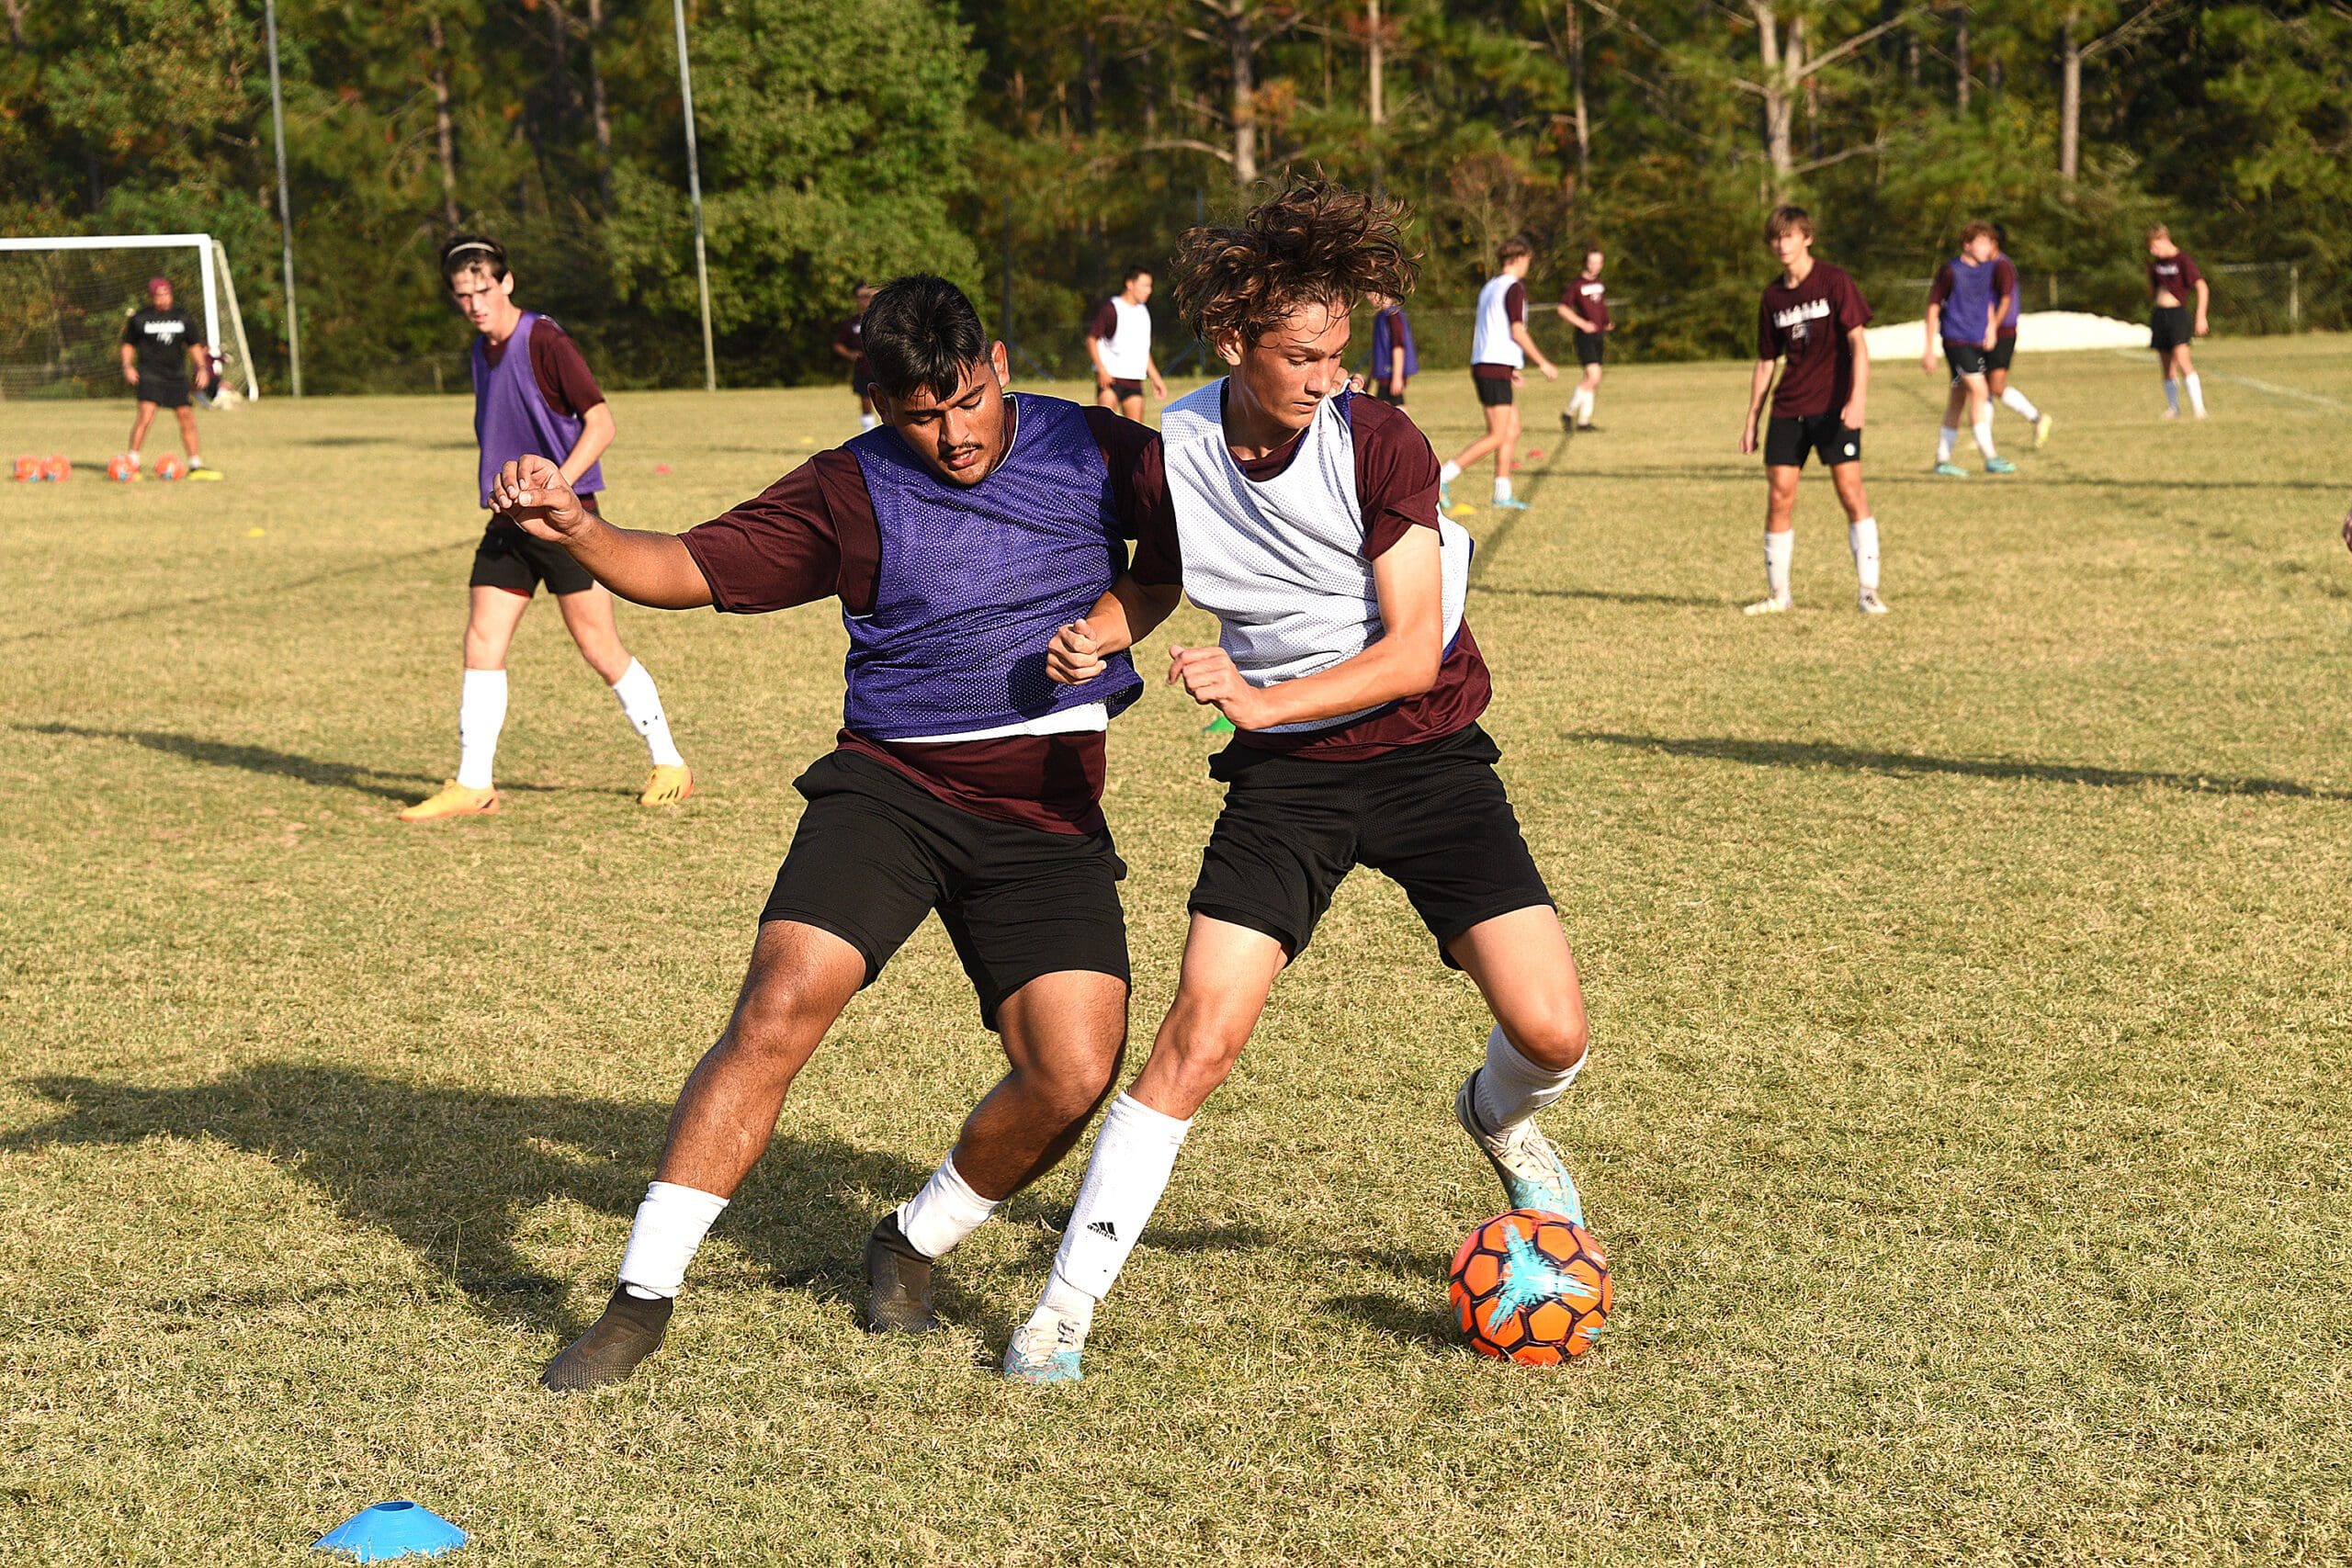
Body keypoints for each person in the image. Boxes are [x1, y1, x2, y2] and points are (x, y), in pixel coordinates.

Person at [1005, 177, 1593, 1384]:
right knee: (1197, 1036)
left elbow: (1412, 650)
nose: (1329, 377)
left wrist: (1259, 697)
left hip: (1427, 753)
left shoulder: (1379, 440)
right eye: (1303, 356)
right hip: (1288, 785)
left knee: (1551, 1029)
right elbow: (1160, 575)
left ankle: (1495, 1115)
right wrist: (1098, 630)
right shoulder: (1175, 451)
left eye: (1340, 353)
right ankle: (1062, 1312)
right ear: (1234, 341)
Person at [530, 274, 1160, 1392]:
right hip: (893, 790)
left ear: (998, 365)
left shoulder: (1099, 451)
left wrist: (1112, 622)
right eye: (919, 416)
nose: (953, 435)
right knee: (780, 1004)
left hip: (1045, 810)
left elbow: (1186, 550)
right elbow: (685, 568)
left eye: (967, 401)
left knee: (1071, 1072)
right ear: (875, 403)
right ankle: (638, 1304)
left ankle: (911, 1241)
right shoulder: (849, 487)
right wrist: (580, 527)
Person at [399, 235, 694, 821]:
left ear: (506, 283)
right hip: (509, 520)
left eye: (483, 290)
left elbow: (602, 423)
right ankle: (475, 783)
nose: (475, 304)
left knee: (599, 647)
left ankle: (670, 763)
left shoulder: (545, 340)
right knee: (481, 640)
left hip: (565, 521)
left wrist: (557, 487)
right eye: (462, 295)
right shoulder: (480, 350)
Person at [1738, 206, 1886, 616]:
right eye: (1775, 238)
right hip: (1789, 406)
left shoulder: (1835, 281)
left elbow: (1859, 344)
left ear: (1807, 238)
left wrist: (1857, 400)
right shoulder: (1773, 297)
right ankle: (1779, 596)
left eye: (1789, 236)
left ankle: (1868, 592)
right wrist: (1752, 418)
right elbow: (1766, 361)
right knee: (1779, 496)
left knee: (1851, 493)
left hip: (1835, 407)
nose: (1782, 244)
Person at [1439, 236, 1557, 513]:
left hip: (1493, 364)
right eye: (1527, 260)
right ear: (1519, 258)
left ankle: (1502, 495)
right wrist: (1542, 362)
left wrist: (1511, 367)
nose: (1528, 266)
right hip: (1492, 365)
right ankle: (1441, 478)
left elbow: (1494, 328)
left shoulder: (1490, 286)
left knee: (1512, 430)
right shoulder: (1514, 287)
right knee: (1497, 434)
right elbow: (1517, 330)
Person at [1922, 222, 2018, 478]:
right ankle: (1990, 457)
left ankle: (1942, 460)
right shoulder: (1951, 271)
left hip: (1976, 341)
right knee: (1980, 390)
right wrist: (1929, 348)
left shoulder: (1988, 269)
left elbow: (1987, 302)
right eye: (1982, 242)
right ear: (1967, 245)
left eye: (1989, 242)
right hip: (1956, 341)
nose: (1988, 248)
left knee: (1958, 398)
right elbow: (1933, 307)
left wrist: (1991, 328)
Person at [119, 277, 215, 479]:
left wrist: (202, 368)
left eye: (167, 294)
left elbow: (194, 344)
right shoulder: (140, 318)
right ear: (151, 297)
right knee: (146, 416)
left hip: (176, 377)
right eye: (159, 295)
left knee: (187, 417)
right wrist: (127, 366)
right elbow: (128, 344)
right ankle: (131, 464)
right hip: (150, 375)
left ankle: (196, 466)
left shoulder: (182, 317)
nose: (164, 299)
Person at [1986, 225, 2052, 448]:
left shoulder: (2002, 265)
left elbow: (2006, 300)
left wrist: (1993, 326)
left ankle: (2037, 418)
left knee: (1996, 385)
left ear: (1994, 242)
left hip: (2002, 332)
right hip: (1991, 331)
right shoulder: (1989, 266)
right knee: (1983, 385)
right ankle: (1983, 436)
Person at [1086, 265, 1168, 420]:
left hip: (1134, 382)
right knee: (1103, 428)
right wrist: (1101, 370)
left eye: (1150, 286)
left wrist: (1156, 378)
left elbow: (1142, 351)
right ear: (1130, 284)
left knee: (1136, 431)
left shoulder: (1143, 311)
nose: (1149, 290)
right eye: (1145, 286)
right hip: (1110, 380)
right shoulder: (1112, 308)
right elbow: (1091, 339)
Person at [2145, 225, 2209, 419]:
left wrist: (2201, 316)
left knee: (2182, 360)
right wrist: (2148, 275)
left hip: (2177, 315)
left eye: (2155, 246)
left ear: (2164, 240)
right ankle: (2174, 408)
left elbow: (2202, 287)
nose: (2152, 251)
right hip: (2160, 314)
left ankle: (2199, 409)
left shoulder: (2182, 260)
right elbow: (2152, 293)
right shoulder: (2157, 264)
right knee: (2166, 365)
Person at [1555, 246, 1611, 433]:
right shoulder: (1577, 285)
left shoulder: (1600, 283)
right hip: (1584, 337)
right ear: (1585, 263)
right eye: (1592, 262)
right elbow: (1562, 309)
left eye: (1599, 262)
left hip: (1598, 335)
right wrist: (1582, 324)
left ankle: (1584, 422)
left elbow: (1600, 306)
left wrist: (1606, 322)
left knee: (1591, 379)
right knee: (1594, 376)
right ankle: (1568, 413)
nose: (1596, 266)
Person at [832, 283, 880, 432]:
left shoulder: (882, 320)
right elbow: (838, 344)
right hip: (863, 369)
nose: (866, 300)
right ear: (856, 299)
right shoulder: (851, 323)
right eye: (862, 296)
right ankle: (869, 432)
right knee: (866, 401)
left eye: (869, 296)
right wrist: (850, 354)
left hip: (882, 368)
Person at [1367, 291, 1417, 412]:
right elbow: (1377, 351)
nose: (1368, 298)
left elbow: (1398, 347)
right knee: (1384, 405)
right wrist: (1370, 376)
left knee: (1393, 405)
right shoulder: (1381, 316)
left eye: (1371, 294)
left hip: (1392, 372)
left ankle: (1404, 425)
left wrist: (1397, 377)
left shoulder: (1393, 316)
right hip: (1384, 373)